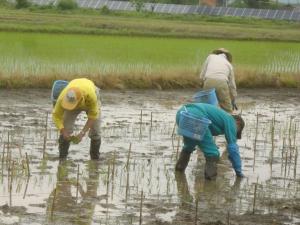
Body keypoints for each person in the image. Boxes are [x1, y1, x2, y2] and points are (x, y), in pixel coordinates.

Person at [175, 103, 245, 179]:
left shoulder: (220, 117)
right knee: (213, 153)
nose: (235, 132)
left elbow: (203, 135)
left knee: (189, 146)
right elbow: (233, 149)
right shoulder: (231, 121)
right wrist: (239, 172)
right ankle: (210, 182)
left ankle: (179, 172)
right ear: (238, 123)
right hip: (196, 117)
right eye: (237, 130)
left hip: (182, 114)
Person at [52, 78, 101, 160]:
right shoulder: (63, 98)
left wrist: (82, 133)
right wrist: (63, 131)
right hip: (74, 91)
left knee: (96, 131)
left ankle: (95, 159)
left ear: (80, 100)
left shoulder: (91, 97)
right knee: (66, 128)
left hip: (89, 94)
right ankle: (62, 159)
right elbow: (56, 115)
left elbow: (92, 116)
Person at [199, 48, 237, 113]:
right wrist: (233, 100)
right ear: (227, 57)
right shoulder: (229, 65)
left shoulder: (210, 57)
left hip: (208, 81)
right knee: (227, 109)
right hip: (222, 83)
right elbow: (232, 86)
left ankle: (209, 121)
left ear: (217, 53)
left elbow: (202, 75)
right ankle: (228, 120)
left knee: (208, 107)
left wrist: (203, 85)